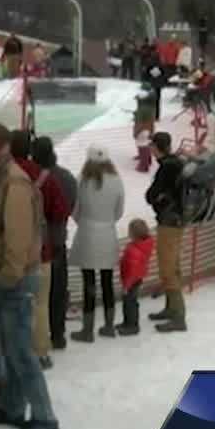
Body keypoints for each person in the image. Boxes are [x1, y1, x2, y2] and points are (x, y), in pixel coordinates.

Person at [0, 122, 59, 429]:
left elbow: (19, 238)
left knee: (21, 350)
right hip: (3, 275)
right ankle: (12, 405)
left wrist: (9, 275)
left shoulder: (14, 183)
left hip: (16, 278)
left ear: (4, 148)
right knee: (7, 347)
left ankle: (43, 415)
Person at [10, 130, 70, 368]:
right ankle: (40, 352)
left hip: (8, 250)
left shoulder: (1, 174)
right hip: (38, 249)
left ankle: (13, 351)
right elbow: (61, 211)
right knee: (40, 303)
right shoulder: (44, 177)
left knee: (7, 305)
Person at [68, 146, 125, 341]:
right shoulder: (117, 180)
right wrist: (107, 222)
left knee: (89, 283)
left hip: (87, 234)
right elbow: (119, 211)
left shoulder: (81, 181)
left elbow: (74, 209)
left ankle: (87, 329)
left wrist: (84, 222)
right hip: (108, 233)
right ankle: (109, 326)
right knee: (108, 282)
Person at [31, 136, 77, 350]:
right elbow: (71, 206)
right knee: (59, 289)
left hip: (39, 242)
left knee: (38, 294)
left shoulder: (31, 179)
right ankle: (58, 334)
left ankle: (39, 336)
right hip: (59, 239)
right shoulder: (67, 177)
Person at [145, 132, 187, 333]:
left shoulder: (167, 167)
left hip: (168, 222)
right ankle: (171, 309)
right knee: (174, 264)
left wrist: (154, 196)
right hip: (177, 220)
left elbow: (151, 195)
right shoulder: (177, 163)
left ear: (156, 147)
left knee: (168, 267)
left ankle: (178, 316)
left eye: (152, 146)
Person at [117, 219, 154, 336]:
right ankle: (127, 322)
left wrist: (126, 286)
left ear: (133, 234)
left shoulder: (134, 251)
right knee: (129, 302)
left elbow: (132, 271)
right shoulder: (142, 246)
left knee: (130, 303)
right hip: (136, 278)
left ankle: (132, 326)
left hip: (131, 280)